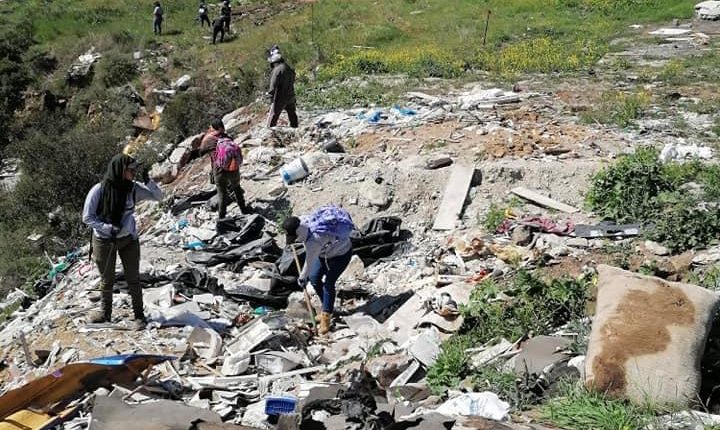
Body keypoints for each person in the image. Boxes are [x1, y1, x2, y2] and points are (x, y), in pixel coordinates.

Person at [82, 154, 163, 330]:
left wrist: (148, 181)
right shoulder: (100, 190)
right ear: (120, 170)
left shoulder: (133, 189)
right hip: (104, 241)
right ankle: (105, 313)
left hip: (128, 240)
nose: (134, 173)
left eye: (135, 170)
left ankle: (139, 316)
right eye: (131, 170)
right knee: (107, 279)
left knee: (133, 278)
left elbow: (158, 197)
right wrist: (107, 227)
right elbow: (87, 217)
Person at [282, 206, 354, 334]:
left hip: (341, 254)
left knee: (328, 283)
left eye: (295, 237)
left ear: (299, 232)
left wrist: (302, 278)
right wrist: (307, 277)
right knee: (314, 278)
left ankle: (326, 316)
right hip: (325, 253)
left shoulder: (314, 239)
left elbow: (309, 262)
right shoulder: (304, 222)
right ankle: (328, 307)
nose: (295, 240)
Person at [199, 119, 250, 218]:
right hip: (232, 167)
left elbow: (200, 153)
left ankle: (222, 217)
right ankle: (244, 209)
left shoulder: (209, 139)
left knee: (222, 193)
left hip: (219, 170)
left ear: (213, 128)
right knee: (237, 188)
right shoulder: (228, 137)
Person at [267, 50, 298, 128]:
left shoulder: (277, 70)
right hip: (290, 95)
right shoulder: (288, 68)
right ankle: (295, 127)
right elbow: (294, 77)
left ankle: (270, 129)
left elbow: (273, 85)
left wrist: (270, 94)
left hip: (280, 97)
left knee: (274, 115)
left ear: (275, 62)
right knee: (292, 113)